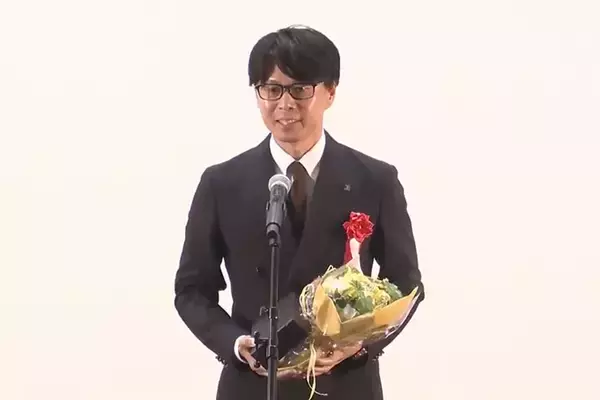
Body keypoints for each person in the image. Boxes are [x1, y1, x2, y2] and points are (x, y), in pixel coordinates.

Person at [174, 25, 425, 400]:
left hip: (345, 384)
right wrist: (236, 343)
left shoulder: (375, 179)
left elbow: (406, 283)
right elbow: (192, 290)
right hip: (253, 385)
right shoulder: (221, 183)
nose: (284, 104)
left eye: (300, 89)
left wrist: (358, 346)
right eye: (271, 89)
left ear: (330, 92)